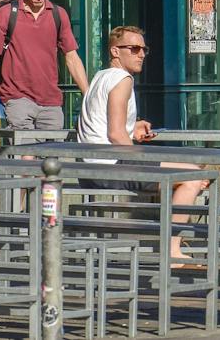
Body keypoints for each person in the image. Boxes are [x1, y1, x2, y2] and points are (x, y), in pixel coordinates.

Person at [77, 26, 210, 263]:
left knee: (186, 173)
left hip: (91, 165)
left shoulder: (100, 76)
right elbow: (116, 134)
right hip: (110, 165)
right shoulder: (122, 79)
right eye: (134, 48)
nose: (141, 54)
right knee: (193, 177)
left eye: (144, 49)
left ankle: (168, 241)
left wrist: (134, 127)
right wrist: (145, 161)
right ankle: (172, 250)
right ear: (115, 51)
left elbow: (106, 123)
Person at [0, 0, 90, 131]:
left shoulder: (58, 14)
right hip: (17, 98)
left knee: (51, 156)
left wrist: (88, 96)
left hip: (51, 101)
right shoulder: (7, 14)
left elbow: (72, 57)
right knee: (26, 155)